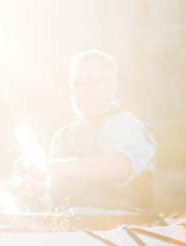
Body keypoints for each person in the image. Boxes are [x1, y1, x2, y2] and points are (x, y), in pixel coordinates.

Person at [46, 50, 157, 210]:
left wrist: (52, 167)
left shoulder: (126, 124)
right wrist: (31, 188)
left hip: (125, 232)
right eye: (76, 83)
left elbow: (118, 167)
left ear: (112, 86)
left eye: (93, 83)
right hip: (73, 231)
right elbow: (74, 193)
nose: (83, 91)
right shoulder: (62, 136)